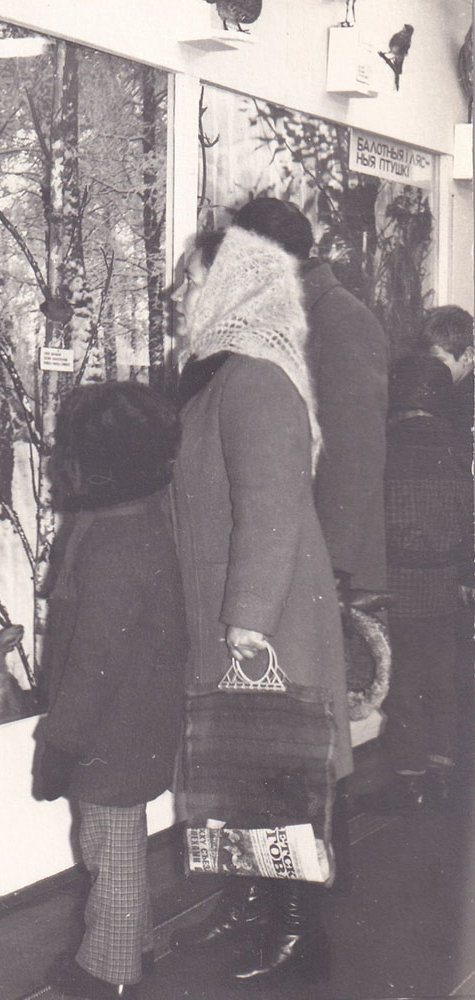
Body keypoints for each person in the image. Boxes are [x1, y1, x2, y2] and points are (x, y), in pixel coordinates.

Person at [167, 225, 353, 983]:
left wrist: (248, 616)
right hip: (233, 607)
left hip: (267, 617)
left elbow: (273, 508)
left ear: (231, 283)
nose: (179, 293)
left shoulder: (255, 379)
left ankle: (300, 929)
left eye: (190, 278)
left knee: (281, 774)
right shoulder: (220, 371)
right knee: (239, 768)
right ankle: (248, 904)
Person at [33, 381, 188, 1000]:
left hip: (112, 727)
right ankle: (135, 946)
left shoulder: (114, 542)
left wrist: (61, 742)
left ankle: (109, 972)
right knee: (119, 838)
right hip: (132, 719)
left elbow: (95, 660)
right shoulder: (132, 521)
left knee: (110, 847)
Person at [234, 196, 389, 596]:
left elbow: (356, 454)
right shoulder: (281, 312)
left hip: (321, 562)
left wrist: (332, 565)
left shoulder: (341, 319)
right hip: (291, 549)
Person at [380, 306, 474, 811]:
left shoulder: (387, 451)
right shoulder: (453, 451)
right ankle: (442, 772)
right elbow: (465, 519)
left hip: (399, 587)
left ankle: (409, 780)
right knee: (444, 681)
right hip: (445, 586)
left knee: (404, 686)